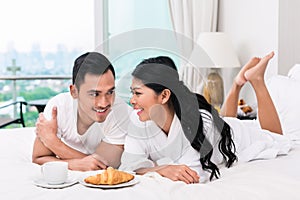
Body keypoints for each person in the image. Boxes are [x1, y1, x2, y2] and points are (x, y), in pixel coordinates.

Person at [119, 52, 291, 184]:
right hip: (218, 128)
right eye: (131, 92)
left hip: (238, 136)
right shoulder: (139, 121)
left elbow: (192, 175)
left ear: (164, 96)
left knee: (276, 137)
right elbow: (128, 167)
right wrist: (162, 169)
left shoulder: (195, 126)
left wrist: (153, 169)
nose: (132, 100)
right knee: (221, 122)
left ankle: (257, 80)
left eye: (138, 93)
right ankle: (237, 84)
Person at [32, 52, 131, 171]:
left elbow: (105, 168)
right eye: (94, 94)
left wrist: (53, 142)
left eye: (110, 92)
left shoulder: (120, 112)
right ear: (74, 92)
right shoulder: (58, 107)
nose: (104, 103)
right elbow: (39, 157)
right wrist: (73, 164)